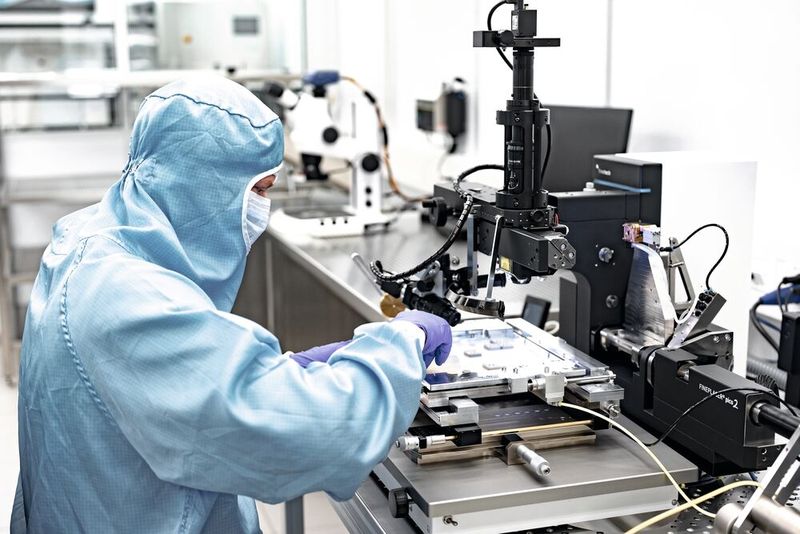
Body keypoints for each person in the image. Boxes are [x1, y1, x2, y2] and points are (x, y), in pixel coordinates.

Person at [11, 76, 451, 533]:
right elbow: (308, 431)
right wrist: (401, 344)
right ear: (201, 181)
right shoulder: (124, 293)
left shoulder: (95, 240)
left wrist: (280, 368)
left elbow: (176, 380)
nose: (263, 208)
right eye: (259, 191)